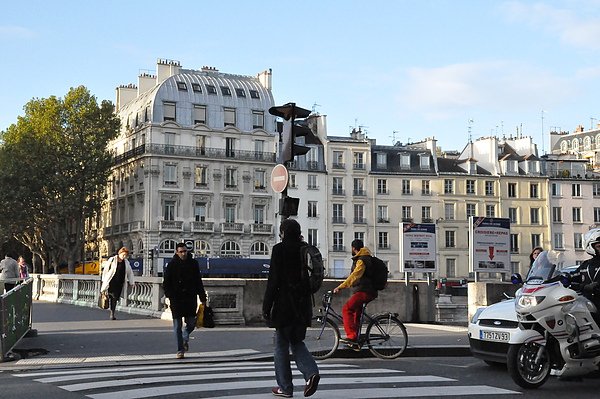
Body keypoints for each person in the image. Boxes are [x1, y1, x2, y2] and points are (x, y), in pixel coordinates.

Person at [263, 219, 320, 398]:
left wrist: (266, 306)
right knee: (296, 341)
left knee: (280, 344)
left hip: (285, 304)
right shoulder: (304, 249)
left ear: (283, 232)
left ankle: (285, 387)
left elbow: (273, 281)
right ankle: (311, 373)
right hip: (303, 304)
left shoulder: (279, 249)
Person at [163, 243, 207, 359]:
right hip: (176, 299)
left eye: (185, 251)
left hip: (189, 298)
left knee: (192, 323)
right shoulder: (172, 265)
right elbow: (166, 282)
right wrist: (170, 295)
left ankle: (185, 336)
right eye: (181, 251)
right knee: (177, 326)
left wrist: (203, 298)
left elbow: (198, 281)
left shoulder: (193, 263)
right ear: (177, 252)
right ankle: (180, 350)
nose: (184, 253)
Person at [333, 239, 377, 349]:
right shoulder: (366, 257)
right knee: (357, 314)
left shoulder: (361, 260)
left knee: (346, 309)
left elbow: (355, 276)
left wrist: (341, 286)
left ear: (353, 248)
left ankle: (351, 337)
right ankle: (355, 343)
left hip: (365, 291)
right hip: (368, 290)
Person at [571, 229, 600, 324]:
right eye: (599, 246)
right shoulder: (585, 265)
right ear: (590, 247)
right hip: (587, 306)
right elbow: (572, 277)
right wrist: (560, 278)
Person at [100, 247, 135, 320]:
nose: (124, 256)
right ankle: (110, 308)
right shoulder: (112, 260)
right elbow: (106, 270)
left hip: (119, 283)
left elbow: (130, 272)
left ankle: (112, 313)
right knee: (110, 296)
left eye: (125, 255)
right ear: (119, 253)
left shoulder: (126, 262)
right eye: (123, 255)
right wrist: (104, 280)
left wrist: (132, 282)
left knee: (115, 298)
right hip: (111, 282)